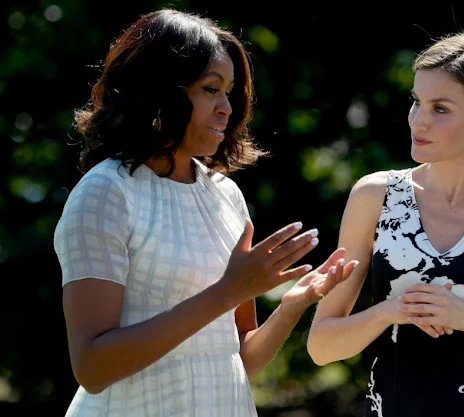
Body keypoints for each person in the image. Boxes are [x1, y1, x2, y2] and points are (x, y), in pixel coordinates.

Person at [53, 8, 358, 417]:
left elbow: (239, 361)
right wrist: (228, 291)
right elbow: (92, 367)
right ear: (160, 90)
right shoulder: (106, 193)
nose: (227, 108)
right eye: (210, 89)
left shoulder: (225, 195)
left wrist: (291, 306)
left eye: (229, 92)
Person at [307, 26, 464, 417]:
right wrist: (390, 311)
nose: (418, 121)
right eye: (416, 102)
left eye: (440, 109)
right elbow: (321, 346)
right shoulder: (374, 195)